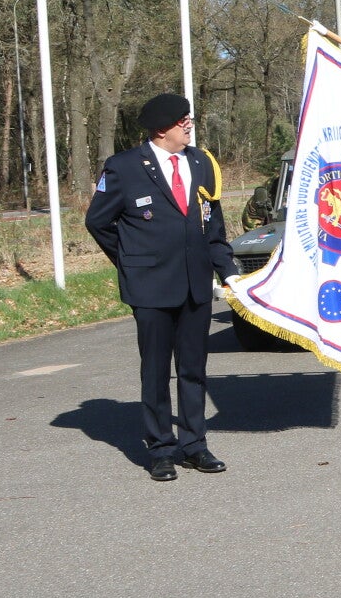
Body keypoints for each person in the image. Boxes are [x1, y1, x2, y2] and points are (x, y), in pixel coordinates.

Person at [83, 93, 237, 482]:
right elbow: (98, 222)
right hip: (150, 286)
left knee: (193, 369)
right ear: (161, 129)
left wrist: (228, 272)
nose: (189, 126)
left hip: (195, 283)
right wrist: (132, 261)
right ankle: (161, 450)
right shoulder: (124, 167)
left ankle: (195, 445)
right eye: (182, 121)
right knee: (155, 371)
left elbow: (212, 225)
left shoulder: (201, 162)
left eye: (189, 119)